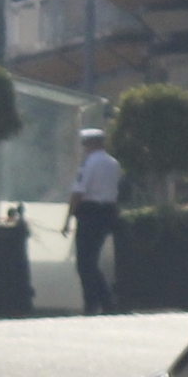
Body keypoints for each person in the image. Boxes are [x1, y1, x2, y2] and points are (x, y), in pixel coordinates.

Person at [66, 126, 122, 316]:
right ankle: (106, 301)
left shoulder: (89, 163)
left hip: (90, 212)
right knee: (92, 259)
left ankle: (93, 303)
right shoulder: (113, 163)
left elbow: (78, 192)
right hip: (108, 212)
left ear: (90, 144)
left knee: (84, 262)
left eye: (85, 144)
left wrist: (68, 218)